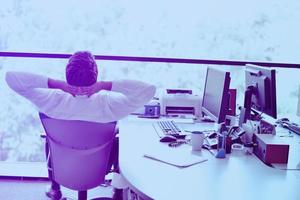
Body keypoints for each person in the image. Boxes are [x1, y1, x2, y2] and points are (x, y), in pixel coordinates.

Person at [5, 51, 156, 200]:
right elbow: (149, 90)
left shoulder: (51, 100)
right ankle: (117, 192)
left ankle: (55, 187)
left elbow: (11, 77)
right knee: (117, 137)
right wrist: (105, 85)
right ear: (95, 77)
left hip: (63, 166)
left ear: (67, 76)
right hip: (99, 168)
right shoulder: (108, 104)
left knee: (50, 137)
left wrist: (57, 84)